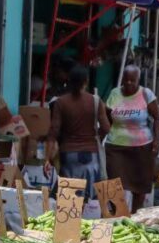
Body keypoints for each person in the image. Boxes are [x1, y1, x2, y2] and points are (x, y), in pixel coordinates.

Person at [47, 65, 111, 201]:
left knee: (69, 197)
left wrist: (48, 157)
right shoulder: (95, 101)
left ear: (69, 81)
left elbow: (54, 131)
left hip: (68, 154)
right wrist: (95, 138)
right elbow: (106, 128)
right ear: (86, 81)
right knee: (87, 195)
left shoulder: (60, 102)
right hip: (91, 154)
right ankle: (82, 220)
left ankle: (70, 222)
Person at [105, 65, 159, 212]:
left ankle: (136, 214)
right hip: (116, 145)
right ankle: (117, 214)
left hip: (142, 146)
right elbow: (106, 117)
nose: (129, 83)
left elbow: (157, 119)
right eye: (126, 80)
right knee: (114, 183)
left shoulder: (146, 94)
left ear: (138, 80)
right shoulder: (114, 93)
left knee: (140, 184)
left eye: (133, 80)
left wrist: (156, 141)